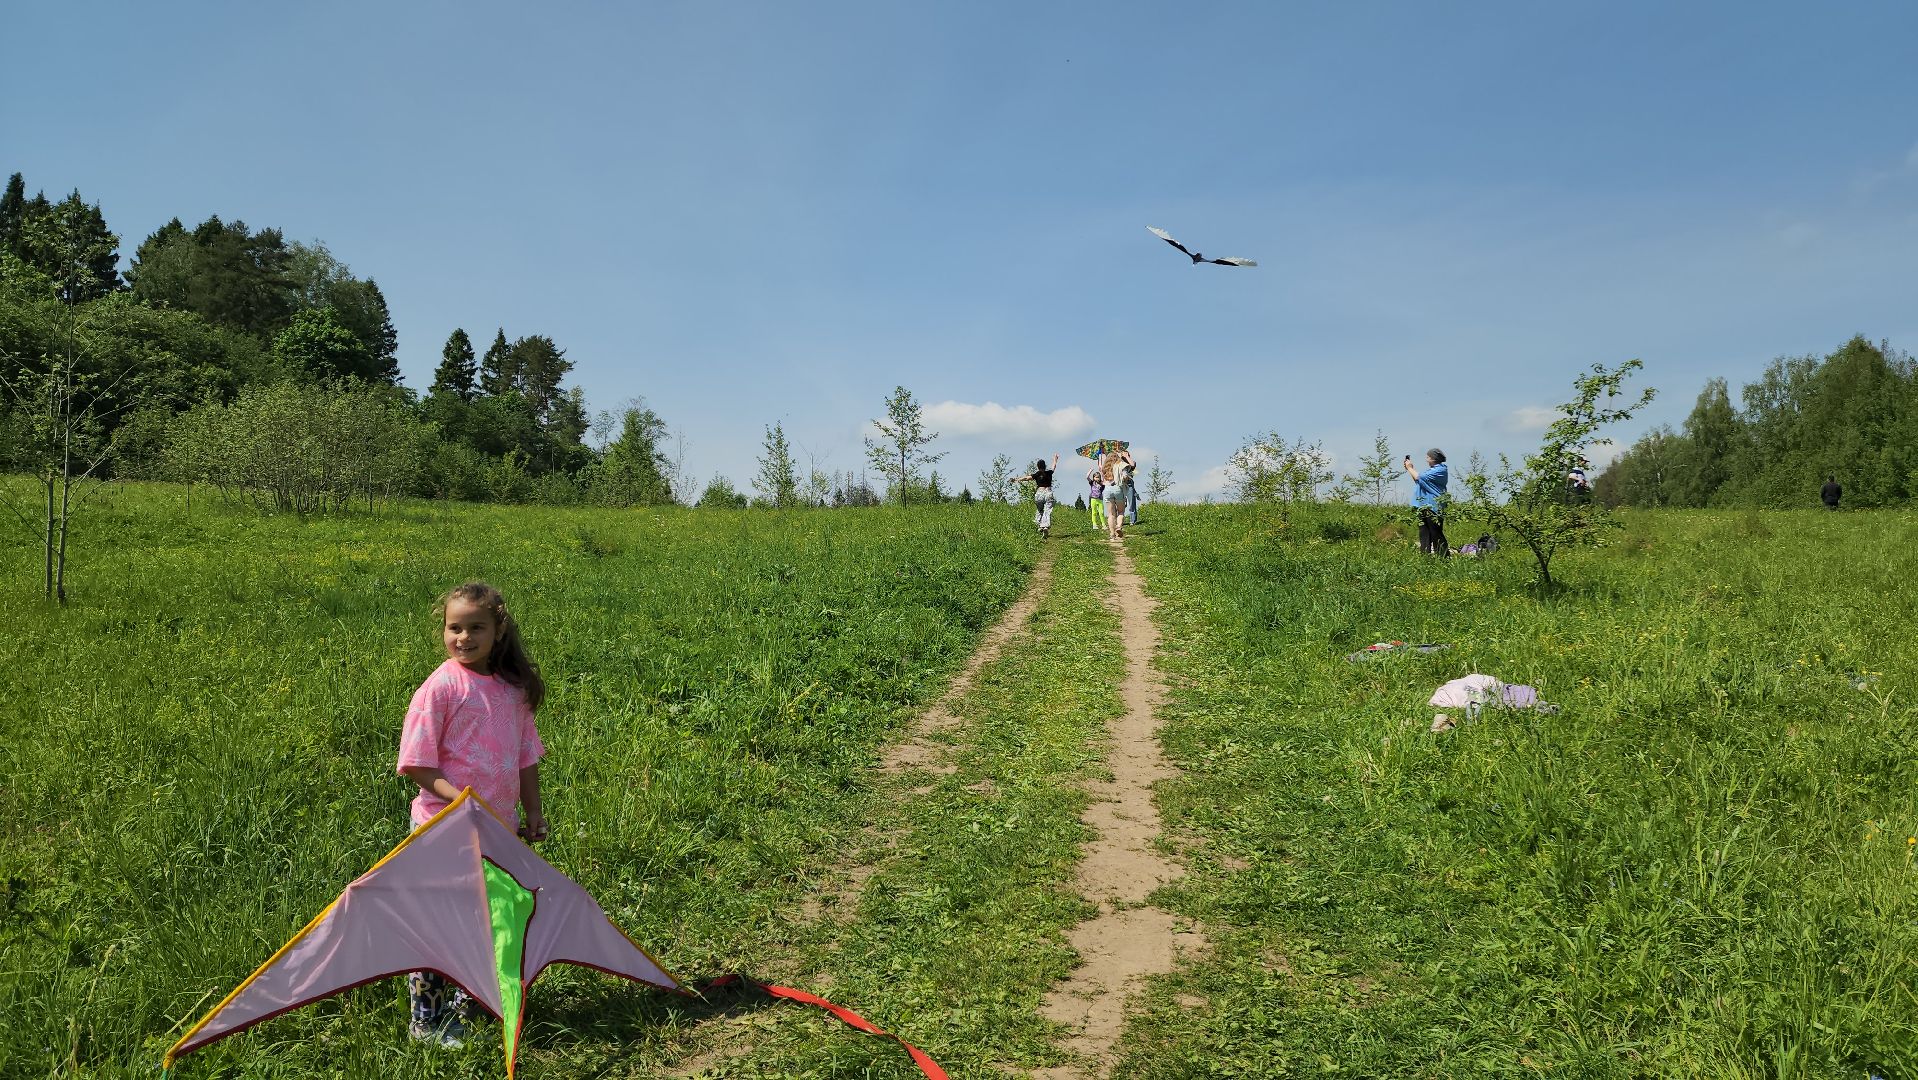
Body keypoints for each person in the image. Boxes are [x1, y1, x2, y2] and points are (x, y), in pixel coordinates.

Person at [397, 582, 548, 1047]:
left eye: (475, 627)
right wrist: (460, 801)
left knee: (490, 919)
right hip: (442, 829)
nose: (463, 637)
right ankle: (426, 1018)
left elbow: (526, 757)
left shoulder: (511, 691)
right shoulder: (441, 686)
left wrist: (534, 813)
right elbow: (417, 763)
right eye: (454, 627)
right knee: (439, 921)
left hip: (497, 830)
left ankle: (471, 1002)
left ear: (498, 630)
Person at [1403, 448, 1449, 556]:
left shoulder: (1440, 470)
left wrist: (1410, 468)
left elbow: (1420, 477)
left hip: (1433, 506)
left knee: (1436, 533)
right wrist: (1410, 469)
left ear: (1434, 459)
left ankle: (1444, 558)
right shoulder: (1432, 471)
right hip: (1423, 506)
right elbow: (1418, 481)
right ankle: (1425, 557)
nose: (1426, 459)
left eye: (1428, 457)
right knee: (1424, 533)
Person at [1012, 454, 1059, 538]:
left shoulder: (1036, 474)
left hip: (1039, 493)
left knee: (1040, 510)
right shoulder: (1049, 472)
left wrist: (1016, 479)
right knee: (1047, 510)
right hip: (1048, 492)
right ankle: (1044, 526)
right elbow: (1054, 466)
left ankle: (1039, 524)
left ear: (1038, 467)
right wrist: (1055, 459)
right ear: (1045, 466)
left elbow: (1026, 478)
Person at [1100, 448, 1134, 541]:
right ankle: (1118, 527)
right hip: (1118, 489)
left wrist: (1102, 454)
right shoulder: (1120, 465)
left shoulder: (1105, 467)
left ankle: (1112, 535)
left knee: (1110, 514)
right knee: (1121, 511)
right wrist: (1125, 479)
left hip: (1107, 490)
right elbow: (1129, 470)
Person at [1086, 466, 1106, 531]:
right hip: (1093, 499)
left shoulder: (1102, 484)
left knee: (1101, 512)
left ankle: (1103, 524)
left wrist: (1101, 472)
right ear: (1094, 478)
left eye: (1098, 477)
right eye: (1096, 477)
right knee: (1094, 512)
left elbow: (1105, 480)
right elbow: (1087, 477)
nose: (1097, 478)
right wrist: (1090, 471)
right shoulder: (1092, 483)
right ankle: (1094, 524)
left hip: (1100, 500)